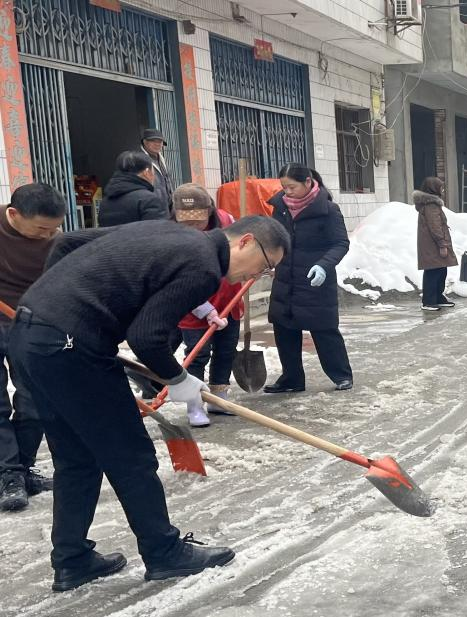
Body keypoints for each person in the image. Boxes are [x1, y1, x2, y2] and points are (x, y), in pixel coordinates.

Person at [8, 215, 289, 592]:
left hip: (30, 338)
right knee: (132, 456)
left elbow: (67, 243)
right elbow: (147, 336)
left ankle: (72, 560)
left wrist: (58, 305)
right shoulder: (204, 265)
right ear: (246, 242)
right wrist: (178, 379)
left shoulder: (169, 232)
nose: (255, 276)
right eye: (265, 266)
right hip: (70, 350)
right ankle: (164, 553)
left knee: (77, 458)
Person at [0, 183, 66, 512]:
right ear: (14, 214)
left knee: (34, 399)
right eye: (41, 229)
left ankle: (22, 468)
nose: (48, 236)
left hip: (29, 323)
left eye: (54, 229)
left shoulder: (55, 242)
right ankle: (7, 475)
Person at [264, 164, 353, 393]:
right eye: (284, 187)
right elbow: (276, 238)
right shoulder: (281, 207)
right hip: (286, 276)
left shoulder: (328, 209)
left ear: (307, 182)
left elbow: (341, 243)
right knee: (284, 328)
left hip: (315, 278)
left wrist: (324, 265)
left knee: (323, 328)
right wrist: (269, 259)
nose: (287, 192)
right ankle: (292, 379)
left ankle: (341, 375)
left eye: (292, 187)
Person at [173, 183, 242, 427]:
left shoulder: (227, 221)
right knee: (198, 354)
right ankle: (195, 404)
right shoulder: (171, 236)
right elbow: (177, 281)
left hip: (228, 298)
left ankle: (218, 398)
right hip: (193, 305)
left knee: (226, 350)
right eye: (186, 222)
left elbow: (242, 249)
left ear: (210, 211)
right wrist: (206, 310)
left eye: (198, 221)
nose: (193, 227)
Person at [413, 176, 457, 312]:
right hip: (433, 245)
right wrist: (442, 244)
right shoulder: (431, 205)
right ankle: (429, 301)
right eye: (440, 187)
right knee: (433, 271)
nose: (442, 190)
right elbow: (435, 226)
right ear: (433, 188)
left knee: (440, 269)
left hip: (434, 244)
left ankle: (438, 297)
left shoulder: (432, 204)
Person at [98, 150, 168, 227]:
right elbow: (159, 234)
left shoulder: (105, 202)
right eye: (153, 170)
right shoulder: (150, 200)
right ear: (146, 172)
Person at [140, 128, 174, 216]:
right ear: (145, 142)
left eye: (160, 141)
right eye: (153, 141)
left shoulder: (162, 159)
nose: (157, 144)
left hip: (168, 207)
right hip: (152, 207)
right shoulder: (139, 159)